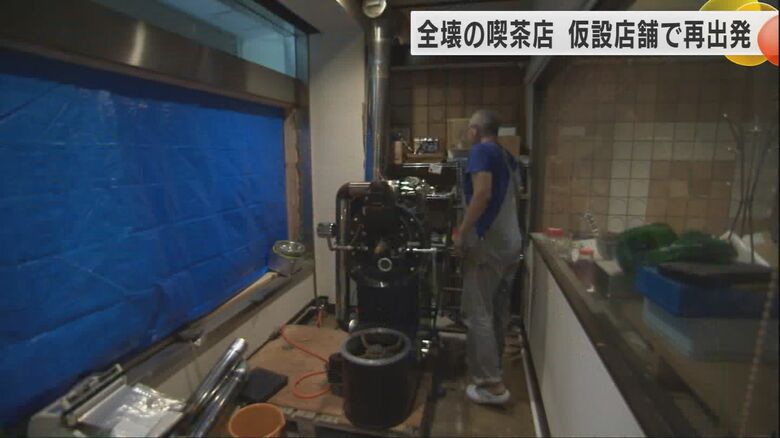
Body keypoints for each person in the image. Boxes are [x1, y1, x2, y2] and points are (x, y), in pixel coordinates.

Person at [452, 109, 523, 405]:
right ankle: (493, 370)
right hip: (511, 244)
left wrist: (462, 233)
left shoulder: (481, 151)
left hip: (488, 245)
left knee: (477, 311)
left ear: (477, 130)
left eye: (470, 128)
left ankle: (490, 384)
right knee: (496, 311)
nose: (468, 133)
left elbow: (482, 194)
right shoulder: (507, 156)